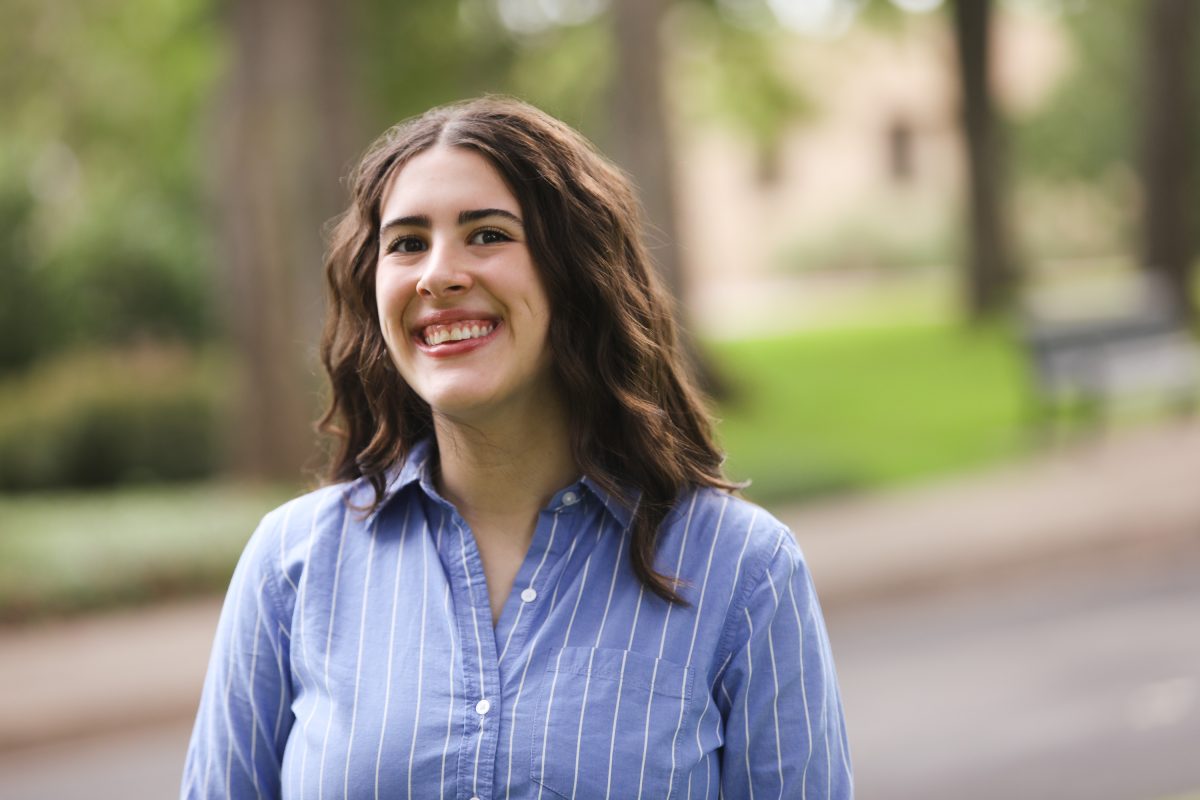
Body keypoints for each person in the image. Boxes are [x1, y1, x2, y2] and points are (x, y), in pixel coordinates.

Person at [182, 96, 852, 800]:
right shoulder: (291, 567)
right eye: (407, 243)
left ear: (576, 271)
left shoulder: (742, 571)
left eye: (488, 235)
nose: (438, 274)